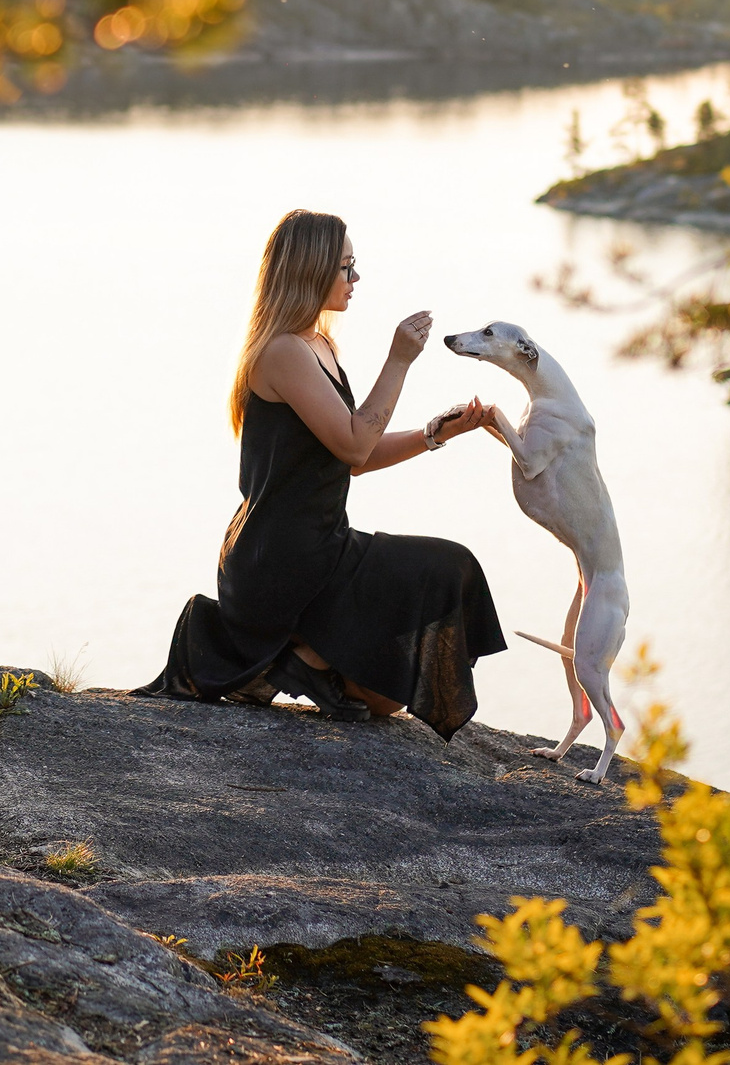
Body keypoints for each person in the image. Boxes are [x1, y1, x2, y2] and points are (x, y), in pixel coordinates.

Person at [139, 208, 508, 737]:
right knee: (448, 566)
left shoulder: (318, 345)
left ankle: (302, 656)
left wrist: (436, 434)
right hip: (283, 557)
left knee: (383, 701)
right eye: (346, 268)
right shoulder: (282, 351)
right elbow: (357, 445)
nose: (356, 280)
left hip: (322, 544)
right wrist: (400, 359)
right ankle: (300, 651)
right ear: (310, 270)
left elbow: (350, 458)